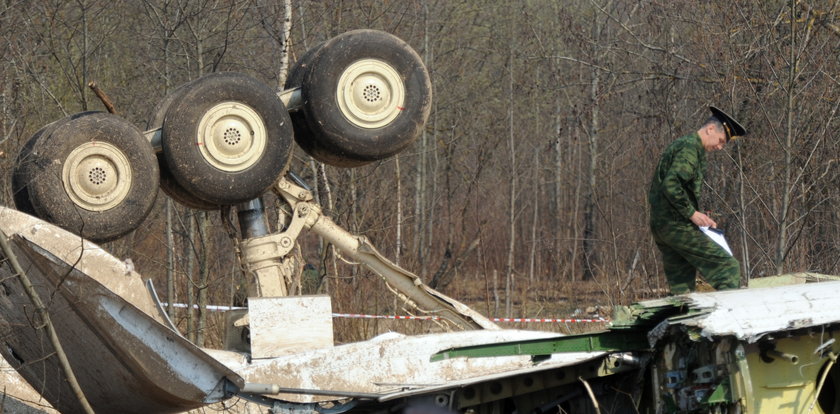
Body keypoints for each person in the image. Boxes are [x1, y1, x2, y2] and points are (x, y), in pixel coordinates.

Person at [648, 106, 747, 294]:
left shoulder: (683, 145)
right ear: (710, 129)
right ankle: (728, 320)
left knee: (682, 288)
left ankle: (681, 322)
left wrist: (700, 216)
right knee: (728, 268)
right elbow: (672, 184)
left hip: (663, 227)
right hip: (677, 225)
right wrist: (691, 213)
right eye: (720, 141)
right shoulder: (690, 148)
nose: (719, 147)